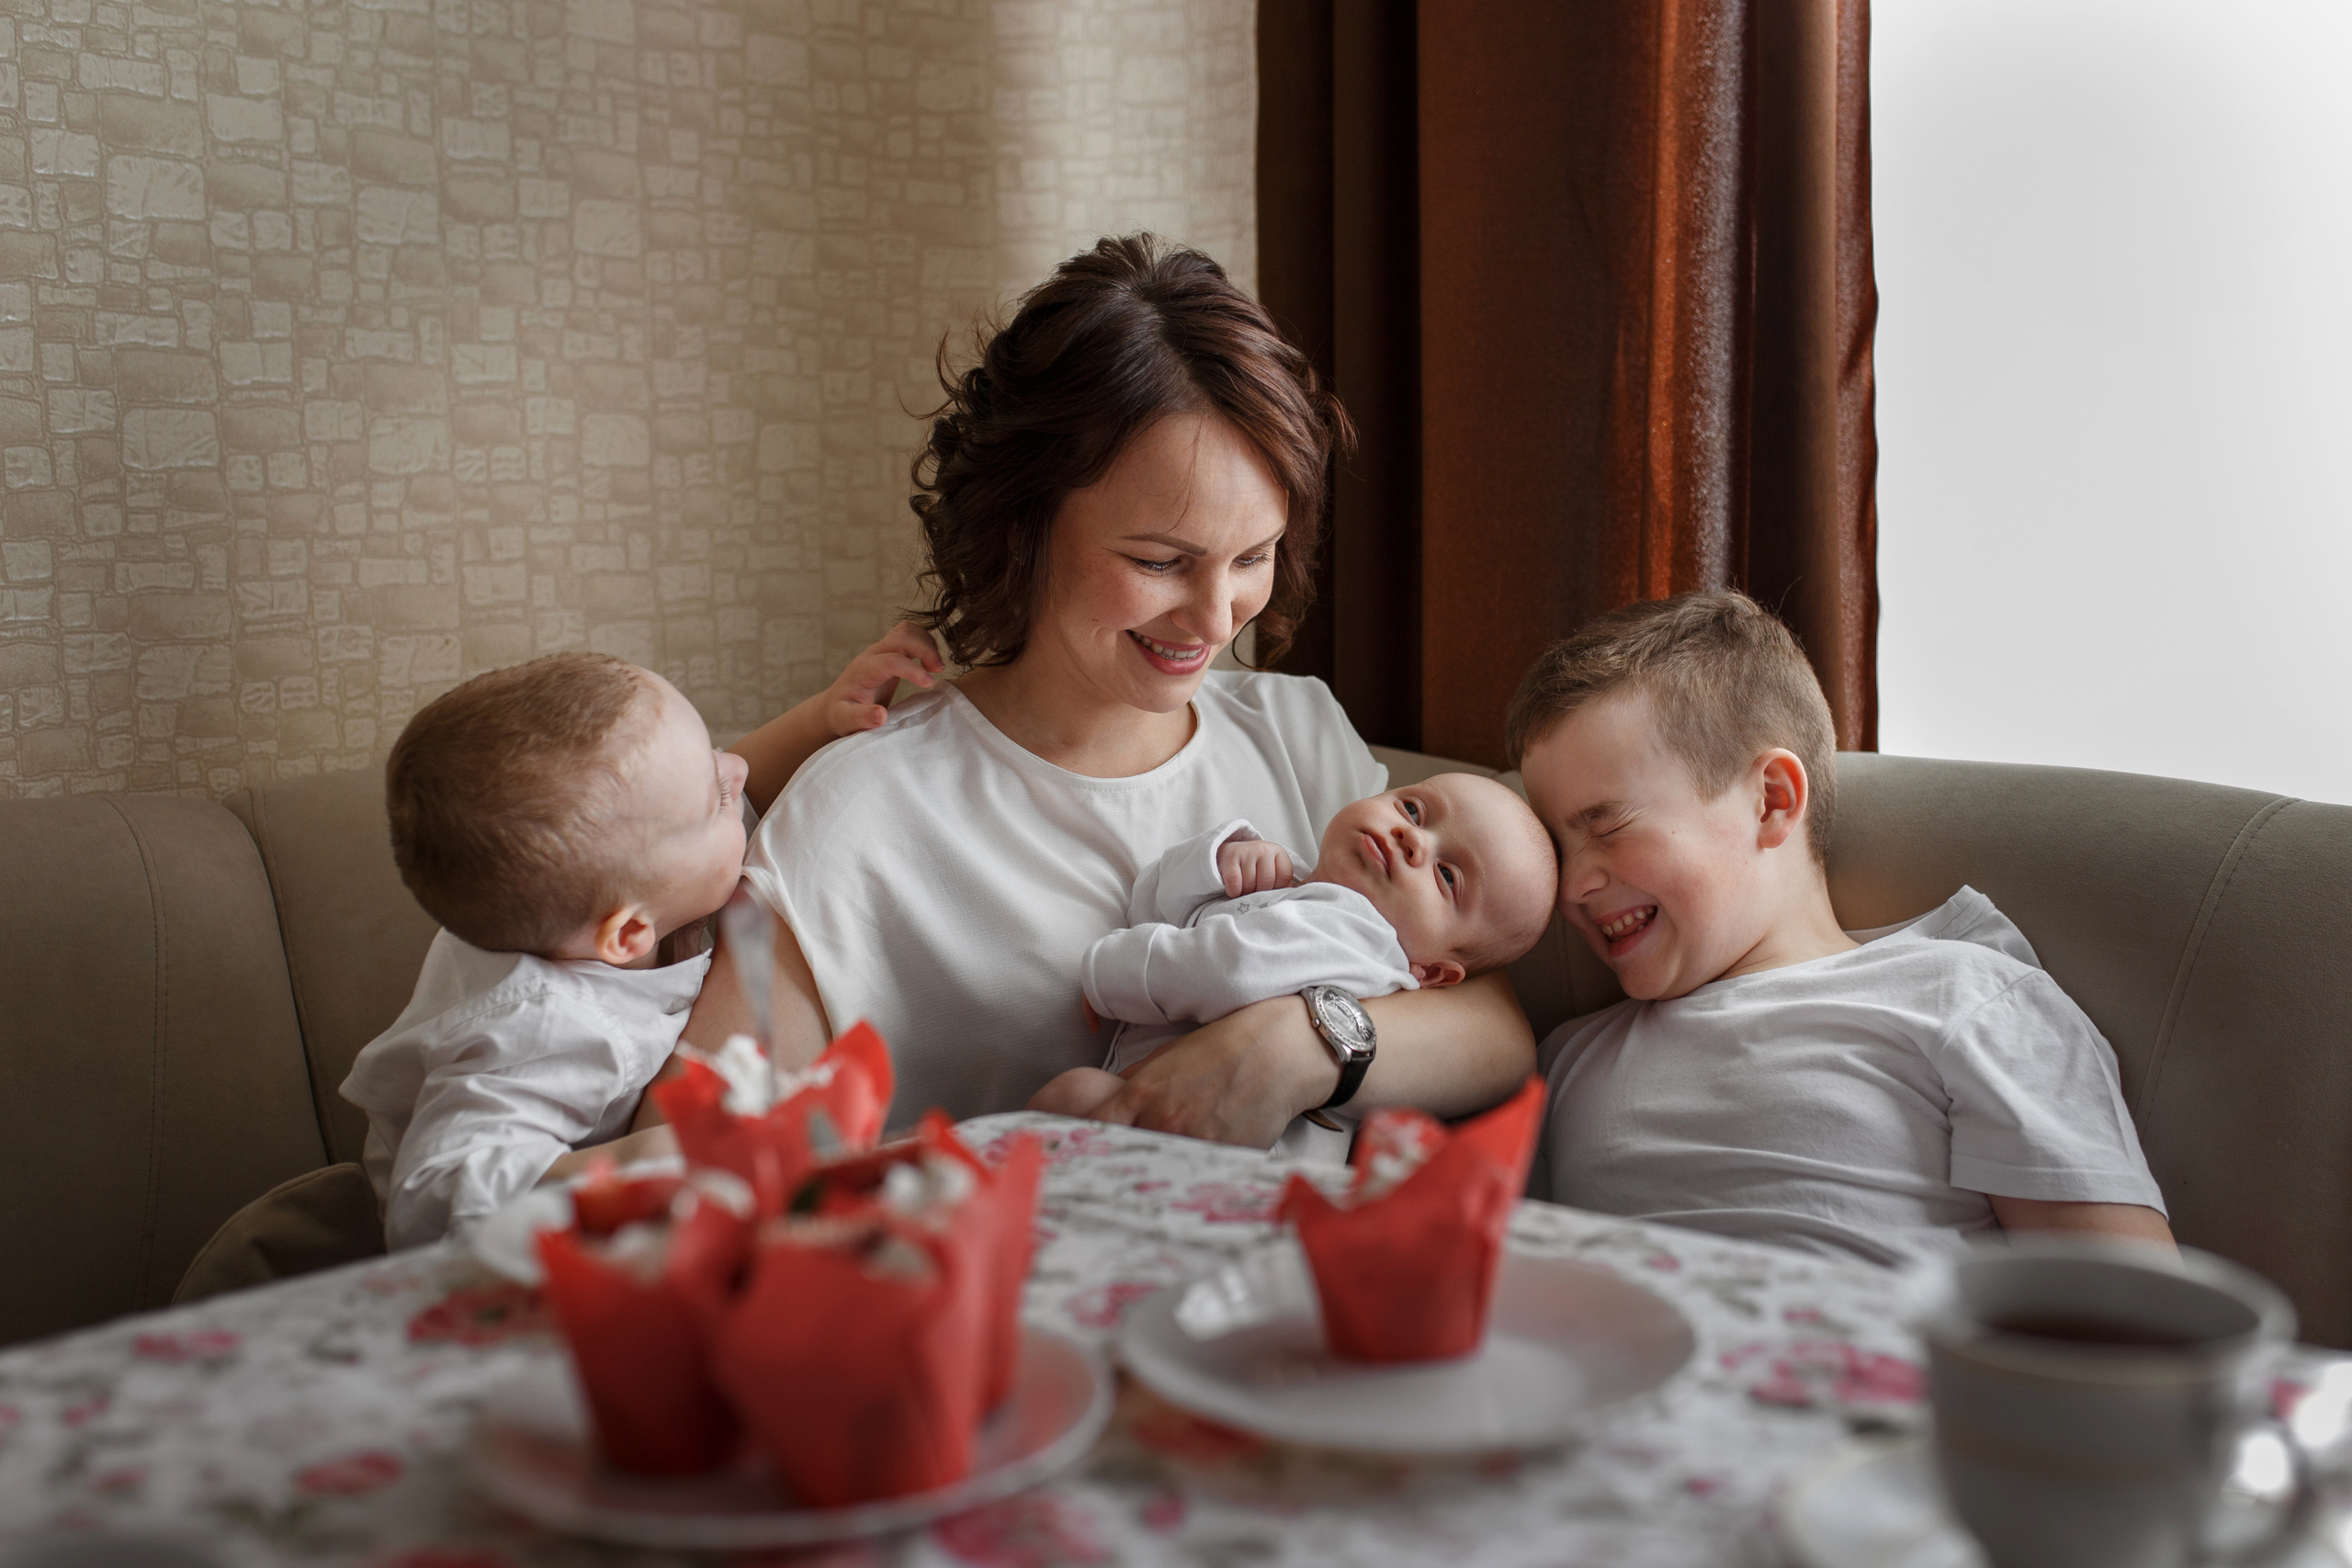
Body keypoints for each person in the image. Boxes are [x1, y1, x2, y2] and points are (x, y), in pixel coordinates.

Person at [653, 235, 1535, 1145]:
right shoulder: (865, 811)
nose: (1215, 618)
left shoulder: (1297, 733)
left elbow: (1496, 1028)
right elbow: (694, 1146)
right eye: (1159, 561)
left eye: (1254, 556)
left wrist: (1290, 1046)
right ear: (1021, 528)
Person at [1509, 591, 2171, 1268]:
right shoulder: (1565, 1059)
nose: (1571, 885)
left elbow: (2130, 1301)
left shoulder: (1964, 997)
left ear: (1772, 801)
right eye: (1557, 850)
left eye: (1609, 826)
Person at [342, 628, 937, 1249]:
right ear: (628, 933)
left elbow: (723, 793)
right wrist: (653, 1152)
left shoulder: (600, 893)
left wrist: (823, 715)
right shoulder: (542, 1029)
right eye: (717, 796)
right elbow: (430, 1197)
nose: (737, 769)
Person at [1029, 773, 1557, 1160]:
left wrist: (1109, 975)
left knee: (1069, 1100)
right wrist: (1219, 862)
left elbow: (1228, 969)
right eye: (1414, 810)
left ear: (1433, 974)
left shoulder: (1357, 934)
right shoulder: (1296, 889)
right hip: (1192, 1131)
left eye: (1446, 876)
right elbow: (1153, 906)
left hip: (1242, 1151)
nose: (1412, 838)